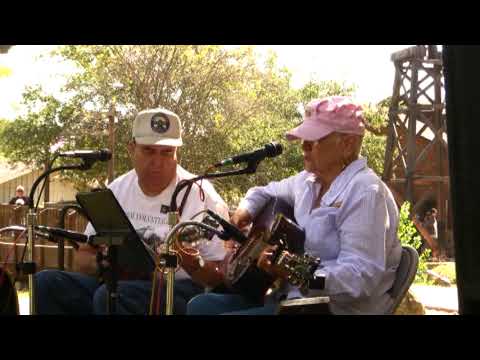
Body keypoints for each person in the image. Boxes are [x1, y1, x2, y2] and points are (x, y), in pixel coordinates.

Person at [187, 96, 403, 315]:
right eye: (303, 139)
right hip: (293, 301)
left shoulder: (366, 192)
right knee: (199, 307)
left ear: (347, 144)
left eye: (313, 140)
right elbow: (262, 191)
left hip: (333, 310)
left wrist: (293, 270)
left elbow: (360, 278)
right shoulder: (307, 181)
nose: (303, 146)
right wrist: (243, 214)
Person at [34, 108, 230, 315]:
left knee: (112, 296)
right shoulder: (117, 190)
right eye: (148, 151)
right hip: (117, 283)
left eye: (166, 153)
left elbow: (219, 277)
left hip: (179, 292)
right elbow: (83, 257)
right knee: (46, 283)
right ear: (131, 148)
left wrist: (193, 263)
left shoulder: (203, 197)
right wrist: (101, 263)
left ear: (177, 153)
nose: (157, 162)